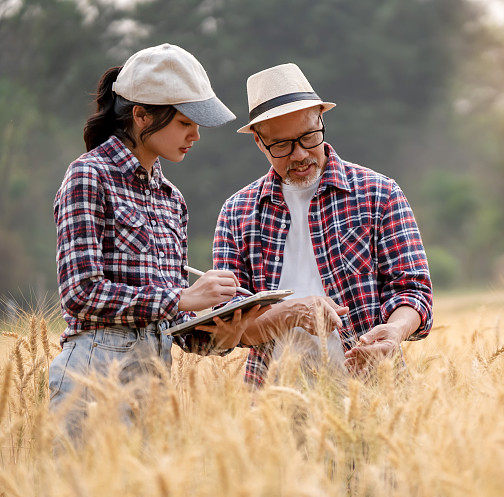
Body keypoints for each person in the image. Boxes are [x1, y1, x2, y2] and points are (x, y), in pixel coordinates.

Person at [49, 44, 264, 427]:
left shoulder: (172, 200)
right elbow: (81, 295)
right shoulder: (89, 176)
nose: (196, 135)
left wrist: (224, 331)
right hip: (92, 380)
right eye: (185, 123)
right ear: (141, 115)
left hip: (155, 386)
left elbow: (171, 325)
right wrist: (182, 297)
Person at [213, 63, 433, 385]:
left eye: (308, 137)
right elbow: (227, 330)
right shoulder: (237, 213)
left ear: (321, 119)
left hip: (371, 394)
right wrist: (290, 314)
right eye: (282, 145)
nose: (300, 154)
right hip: (274, 401)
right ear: (259, 142)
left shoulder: (379, 193)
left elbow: (413, 290)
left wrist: (395, 330)